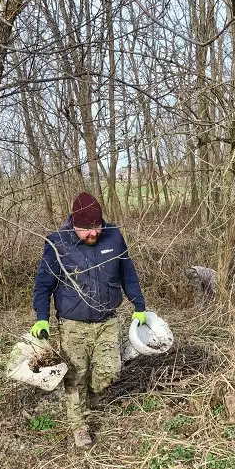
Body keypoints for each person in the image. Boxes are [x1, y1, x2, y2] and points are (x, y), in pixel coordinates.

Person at [31, 192, 146, 449]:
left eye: (97, 227)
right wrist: (42, 318)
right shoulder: (57, 243)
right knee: (75, 376)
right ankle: (79, 426)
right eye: (87, 229)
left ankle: (92, 393)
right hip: (73, 323)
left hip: (107, 320)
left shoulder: (114, 236)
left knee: (110, 370)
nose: (93, 234)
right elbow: (43, 285)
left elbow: (128, 273)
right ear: (74, 223)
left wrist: (139, 305)